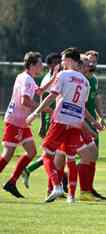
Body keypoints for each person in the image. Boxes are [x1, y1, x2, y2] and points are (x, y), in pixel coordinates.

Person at [26, 47, 95, 202]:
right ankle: (71, 196)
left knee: (46, 154)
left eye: (63, 60)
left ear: (70, 60)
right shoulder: (86, 81)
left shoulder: (63, 75)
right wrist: (92, 122)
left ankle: (56, 187)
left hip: (61, 119)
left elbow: (51, 97)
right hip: (76, 122)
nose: (61, 63)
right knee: (71, 158)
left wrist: (35, 113)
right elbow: (82, 107)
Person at [0, 52, 44, 198]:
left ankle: (11, 182)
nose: (41, 65)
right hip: (15, 121)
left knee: (31, 152)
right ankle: (11, 182)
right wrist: (41, 108)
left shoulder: (25, 77)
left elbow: (39, 91)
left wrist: (55, 78)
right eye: (39, 63)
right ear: (31, 65)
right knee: (7, 154)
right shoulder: (26, 79)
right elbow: (25, 101)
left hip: (22, 123)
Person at [21, 53, 67, 191]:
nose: (60, 64)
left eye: (60, 61)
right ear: (51, 65)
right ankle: (54, 186)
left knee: (56, 153)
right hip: (50, 119)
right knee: (54, 153)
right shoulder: (48, 78)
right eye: (57, 62)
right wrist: (42, 122)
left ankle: (30, 170)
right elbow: (42, 100)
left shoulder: (57, 77)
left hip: (59, 119)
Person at [82, 50, 106, 200]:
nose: (92, 64)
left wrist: (101, 117)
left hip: (93, 122)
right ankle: (83, 189)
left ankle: (89, 188)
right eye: (89, 61)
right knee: (81, 155)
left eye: (94, 62)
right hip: (82, 121)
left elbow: (96, 99)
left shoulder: (94, 80)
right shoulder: (81, 79)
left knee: (94, 155)